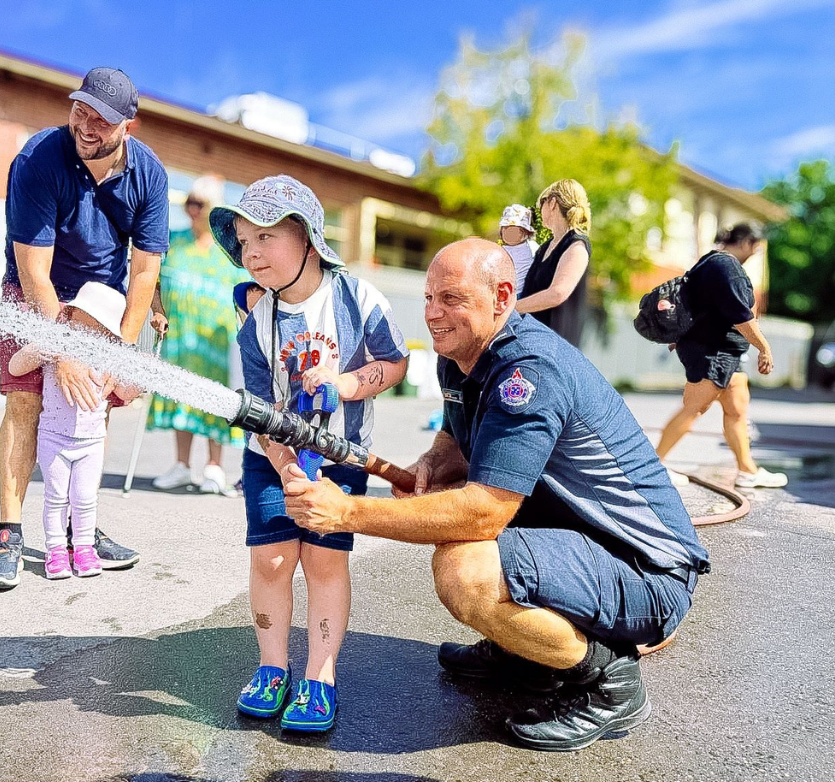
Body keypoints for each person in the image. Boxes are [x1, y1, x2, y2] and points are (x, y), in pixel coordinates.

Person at [281, 240, 708, 752]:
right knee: (461, 542)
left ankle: (609, 679)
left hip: (645, 571)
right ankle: (526, 652)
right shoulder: (460, 355)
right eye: (429, 296)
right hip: (579, 546)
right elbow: (457, 432)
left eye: (452, 298)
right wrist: (436, 460)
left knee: (467, 570)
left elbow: (485, 511)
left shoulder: (529, 372)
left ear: (502, 297)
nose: (433, 314)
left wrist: (347, 512)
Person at [216, 175, 408, 734]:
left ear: (306, 237)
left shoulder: (357, 297)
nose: (252, 252)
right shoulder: (257, 324)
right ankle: (272, 667)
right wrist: (283, 465)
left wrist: (345, 384)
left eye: (265, 237)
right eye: (245, 242)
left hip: (342, 456)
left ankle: (319, 676)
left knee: (324, 562)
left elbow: (395, 363)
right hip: (271, 456)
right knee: (272, 559)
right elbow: (254, 407)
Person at [0, 67, 169, 591]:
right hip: (34, 290)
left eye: (101, 118)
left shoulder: (150, 174)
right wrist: (60, 350)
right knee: (26, 401)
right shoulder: (38, 158)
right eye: (80, 109)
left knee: (91, 406)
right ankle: (9, 534)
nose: (86, 124)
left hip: (100, 303)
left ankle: (78, 529)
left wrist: (122, 353)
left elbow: (146, 269)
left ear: (127, 125)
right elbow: (34, 271)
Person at [6, 281, 129, 577]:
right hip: (54, 440)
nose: (89, 333)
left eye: (99, 328)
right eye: (83, 322)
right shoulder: (55, 352)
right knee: (56, 497)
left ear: (109, 334)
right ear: (69, 315)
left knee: (86, 499)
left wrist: (141, 375)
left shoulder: (110, 359)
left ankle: (84, 549)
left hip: (91, 442)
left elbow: (125, 392)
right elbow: (15, 367)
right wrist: (48, 345)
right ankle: (56, 552)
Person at [654, 223, 789, 490]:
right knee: (695, 409)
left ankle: (747, 471)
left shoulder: (710, 262)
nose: (755, 253)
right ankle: (652, 466)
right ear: (748, 242)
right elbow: (742, 317)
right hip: (712, 352)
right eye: (757, 248)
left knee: (737, 409)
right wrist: (764, 347)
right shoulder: (727, 268)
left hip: (725, 353)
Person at [147, 175, 241, 495]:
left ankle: (214, 467)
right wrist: (157, 310)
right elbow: (153, 282)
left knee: (215, 399)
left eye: (199, 204)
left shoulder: (229, 252)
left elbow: (246, 294)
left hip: (215, 341)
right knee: (181, 397)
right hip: (180, 337)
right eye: (189, 202)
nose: (192, 210)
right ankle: (182, 466)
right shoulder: (173, 242)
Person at [517, 180, 592, 347]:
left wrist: (510, 310)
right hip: (530, 343)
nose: (539, 210)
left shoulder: (576, 245)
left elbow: (557, 293)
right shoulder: (543, 249)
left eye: (541, 204)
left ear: (552, 203)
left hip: (554, 349)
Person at [496, 203, 537, 289]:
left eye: (515, 230)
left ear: (526, 233)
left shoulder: (532, 247)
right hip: (504, 291)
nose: (509, 233)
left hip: (524, 291)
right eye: (506, 228)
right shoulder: (500, 250)